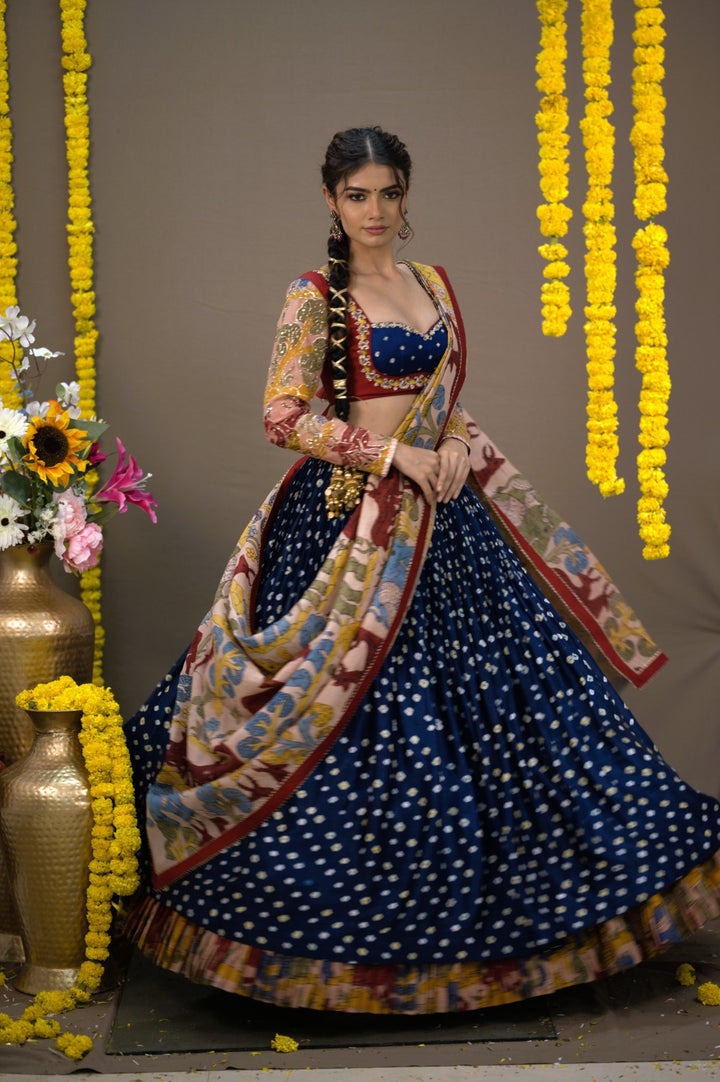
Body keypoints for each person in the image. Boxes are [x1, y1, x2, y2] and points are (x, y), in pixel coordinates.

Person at [123, 127, 720, 1015]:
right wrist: (395, 457)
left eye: (389, 193)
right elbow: (283, 416)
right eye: (358, 195)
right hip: (351, 530)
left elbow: (442, 400)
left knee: (517, 709)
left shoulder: (432, 283)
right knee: (347, 716)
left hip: (451, 516)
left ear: (406, 197)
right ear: (330, 200)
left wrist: (445, 450)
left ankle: (525, 934)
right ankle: (341, 950)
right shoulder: (313, 294)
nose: (376, 211)